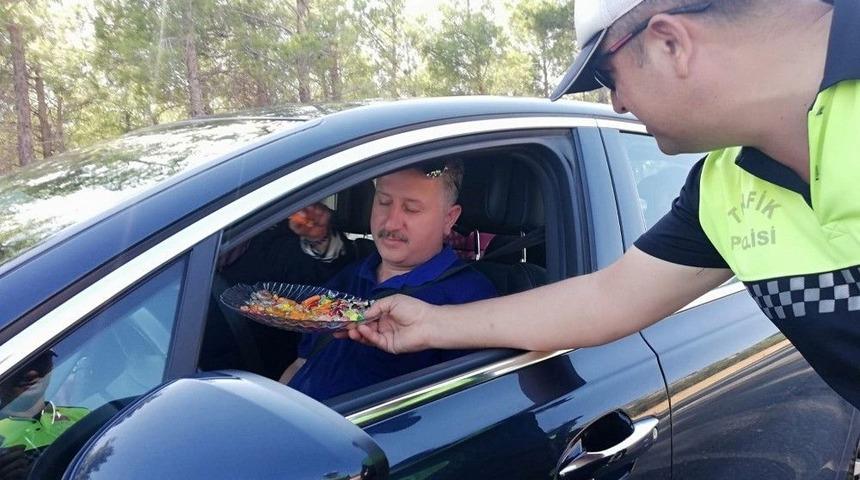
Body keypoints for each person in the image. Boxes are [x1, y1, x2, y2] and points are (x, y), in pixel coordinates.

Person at [346, 0, 860, 411]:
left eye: (608, 76)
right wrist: (432, 323)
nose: (616, 104)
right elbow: (608, 297)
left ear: (670, 43)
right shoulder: (722, 188)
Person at [281, 159, 497, 400]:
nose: (391, 222)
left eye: (411, 209)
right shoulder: (350, 276)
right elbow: (302, 364)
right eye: (384, 202)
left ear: (449, 218)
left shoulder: (470, 299)